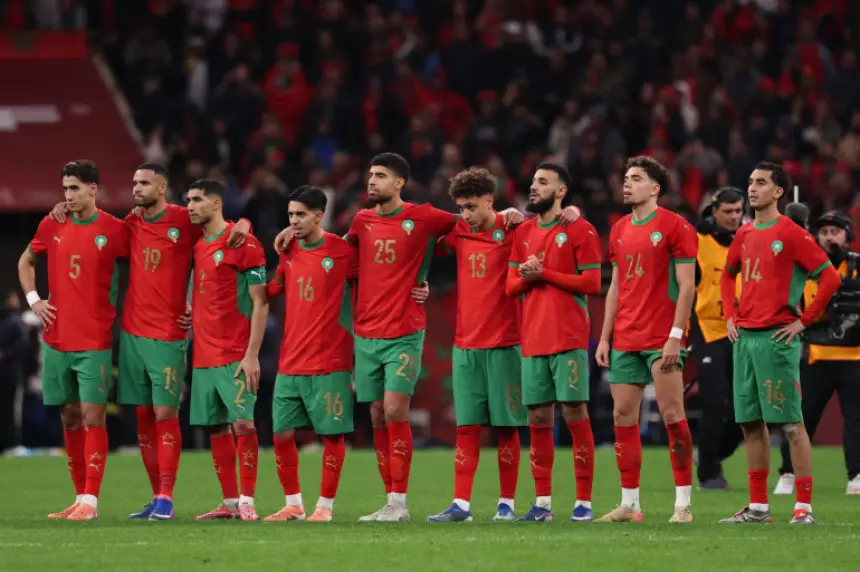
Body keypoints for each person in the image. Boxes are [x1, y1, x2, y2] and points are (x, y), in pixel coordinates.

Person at [275, 153, 522, 522]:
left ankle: (403, 501)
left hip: (405, 330)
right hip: (366, 333)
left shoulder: (424, 216)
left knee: (394, 409)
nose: (371, 181)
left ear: (399, 183)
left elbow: (472, 221)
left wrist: (509, 214)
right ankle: (392, 502)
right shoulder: (361, 221)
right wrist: (294, 233)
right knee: (375, 416)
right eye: (370, 174)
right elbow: (335, 249)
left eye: (380, 176)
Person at [49, 163, 251, 521]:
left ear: (162, 186)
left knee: (164, 413)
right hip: (131, 334)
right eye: (134, 182)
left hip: (169, 335)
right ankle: (156, 495)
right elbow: (94, 227)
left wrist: (244, 224)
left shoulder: (183, 219)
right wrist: (63, 209)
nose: (137, 188)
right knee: (142, 414)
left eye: (144, 183)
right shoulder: (129, 225)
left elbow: (220, 225)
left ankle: (168, 497)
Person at [426, 167, 580, 523]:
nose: (465, 215)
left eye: (471, 207)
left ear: (489, 202)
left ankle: (506, 504)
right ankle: (461, 505)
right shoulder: (459, 230)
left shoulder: (515, 229)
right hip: (465, 344)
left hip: (505, 343)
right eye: (461, 208)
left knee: (506, 427)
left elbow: (554, 226)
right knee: (466, 427)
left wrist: (574, 211)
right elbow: (420, 243)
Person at [719, 162, 842, 524]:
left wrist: (803, 322)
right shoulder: (743, 235)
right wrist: (729, 315)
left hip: (776, 338)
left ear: (778, 192)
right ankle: (758, 507)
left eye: (760, 183)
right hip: (744, 338)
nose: (752, 189)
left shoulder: (791, 233)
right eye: (750, 182)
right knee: (751, 424)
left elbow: (830, 278)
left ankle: (802, 508)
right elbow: (728, 276)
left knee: (790, 424)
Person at [17, 160, 130, 520]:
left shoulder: (113, 229)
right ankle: (79, 497)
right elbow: (26, 261)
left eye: (75, 188)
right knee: (68, 416)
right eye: (65, 189)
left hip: (94, 338)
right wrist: (35, 301)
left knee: (93, 415)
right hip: (55, 338)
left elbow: (151, 259)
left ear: (93, 189)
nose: (68, 195)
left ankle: (91, 502)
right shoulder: (53, 223)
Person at [595, 156, 698, 524]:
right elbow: (616, 287)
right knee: (623, 416)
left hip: (661, 337)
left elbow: (688, 285)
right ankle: (629, 504)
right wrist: (605, 337)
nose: (626, 183)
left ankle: (682, 505)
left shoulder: (676, 227)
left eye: (635, 178)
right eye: (625, 177)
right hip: (625, 336)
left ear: (654, 189)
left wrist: (675, 336)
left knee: (672, 415)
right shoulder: (619, 228)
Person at [506, 163, 602, 522]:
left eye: (542, 182)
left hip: (569, 336)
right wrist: (529, 276)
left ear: (561, 192)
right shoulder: (524, 232)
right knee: (538, 417)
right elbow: (510, 286)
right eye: (533, 181)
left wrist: (542, 272)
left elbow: (593, 283)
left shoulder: (581, 229)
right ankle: (542, 503)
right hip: (533, 338)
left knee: (575, 412)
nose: (534, 187)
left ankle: (584, 503)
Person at [262, 186, 359, 523]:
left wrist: (419, 285)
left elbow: (377, 279)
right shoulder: (287, 251)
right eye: (291, 215)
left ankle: (325, 507)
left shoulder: (344, 251)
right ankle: (293, 504)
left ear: (319, 215)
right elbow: (273, 288)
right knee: (282, 434)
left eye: (301, 214)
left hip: (330, 361)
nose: (294, 221)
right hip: (290, 361)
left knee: (332, 435)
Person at [186, 179, 269, 522]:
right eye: (187, 200)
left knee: (244, 423)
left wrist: (251, 355)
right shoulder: (197, 244)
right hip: (204, 353)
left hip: (235, 352)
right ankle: (230, 501)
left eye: (197, 200)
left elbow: (261, 302)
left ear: (217, 204)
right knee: (216, 427)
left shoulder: (243, 242)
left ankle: (248, 499)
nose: (190, 206)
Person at [774, 211, 860, 496]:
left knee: (856, 420)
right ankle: (788, 473)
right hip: (814, 355)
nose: (829, 237)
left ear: (848, 236)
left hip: (854, 356)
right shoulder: (804, 268)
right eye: (824, 232)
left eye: (836, 231)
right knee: (801, 417)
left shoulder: (858, 267)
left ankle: (856, 476)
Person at [690, 188, 745, 489]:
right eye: (728, 212)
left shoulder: (749, 240)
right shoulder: (698, 243)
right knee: (714, 402)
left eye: (738, 211)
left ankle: (711, 454)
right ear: (714, 212)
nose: (734, 217)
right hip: (708, 327)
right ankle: (709, 474)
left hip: (744, 330)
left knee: (747, 408)